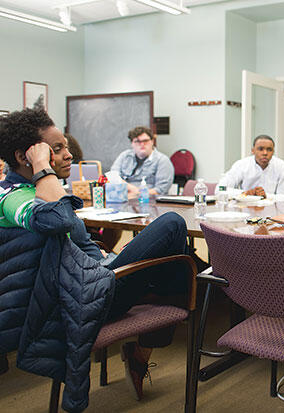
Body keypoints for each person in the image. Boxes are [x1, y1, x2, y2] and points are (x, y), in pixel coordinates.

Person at [0, 108, 191, 401]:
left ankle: (144, 336)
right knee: (173, 228)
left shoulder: (32, 189)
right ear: (25, 156)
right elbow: (59, 220)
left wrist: (110, 257)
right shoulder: (12, 198)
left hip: (95, 274)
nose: (69, 155)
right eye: (57, 149)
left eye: (65, 146)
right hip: (86, 296)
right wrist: (43, 169)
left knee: (180, 259)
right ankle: (143, 350)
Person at [219, 134, 284, 201]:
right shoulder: (241, 165)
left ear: (273, 151)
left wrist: (266, 196)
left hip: (272, 210)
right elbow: (220, 189)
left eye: (269, 149)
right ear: (253, 151)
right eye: (260, 149)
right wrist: (245, 193)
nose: (265, 153)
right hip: (246, 209)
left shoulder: (281, 166)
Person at [110, 126, 174, 196]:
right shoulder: (124, 156)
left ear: (152, 141)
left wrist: (137, 193)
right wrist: (131, 189)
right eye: (137, 141)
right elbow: (113, 176)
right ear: (132, 143)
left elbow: (160, 190)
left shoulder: (162, 161)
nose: (142, 144)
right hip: (123, 198)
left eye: (145, 141)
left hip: (150, 201)